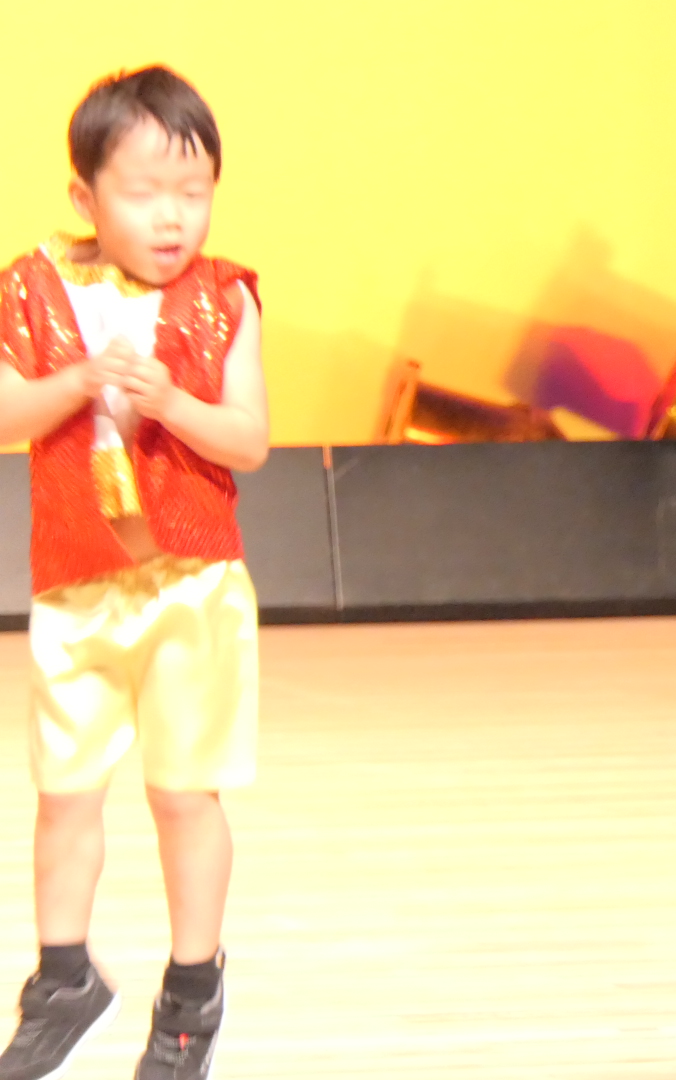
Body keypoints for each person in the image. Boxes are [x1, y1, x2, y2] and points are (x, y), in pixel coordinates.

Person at [0, 65, 268, 1080]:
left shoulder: (225, 297)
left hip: (192, 591)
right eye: (145, 193)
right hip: (75, 590)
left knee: (182, 796)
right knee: (63, 793)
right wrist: (77, 380)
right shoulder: (30, 290)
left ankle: (192, 994)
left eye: (193, 192)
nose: (172, 217)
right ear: (85, 197)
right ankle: (63, 977)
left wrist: (171, 404)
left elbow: (249, 440)